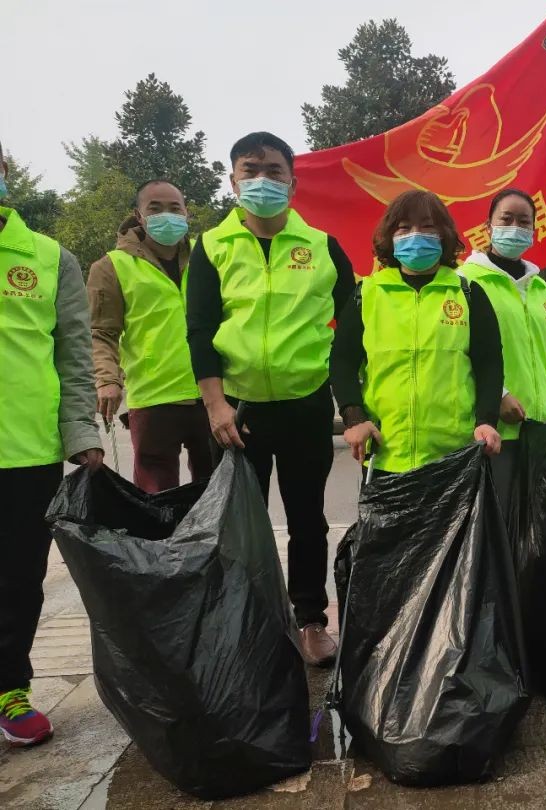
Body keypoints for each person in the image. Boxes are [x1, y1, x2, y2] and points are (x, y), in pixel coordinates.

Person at [186, 132, 364, 667]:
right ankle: (248, 623)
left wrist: (349, 404)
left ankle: (311, 619)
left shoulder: (324, 247)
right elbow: (200, 329)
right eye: (250, 170)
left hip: (305, 404)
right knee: (240, 523)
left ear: (293, 179)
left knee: (308, 519)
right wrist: (215, 405)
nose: (262, 180)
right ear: (233, 179)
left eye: (274, 170)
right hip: (237, 411)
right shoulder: (212, 247)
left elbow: (350, 330)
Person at [0, 140, 102, 747]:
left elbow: (72, 352)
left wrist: (83, 433)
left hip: (25, 449)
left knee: (18, 578)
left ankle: (11, 687)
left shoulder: (48, 257)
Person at [335, 190, 503, 473]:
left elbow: (489, 364)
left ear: (444, 235)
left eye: (427, 227)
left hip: (455, 455)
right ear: (390, 237)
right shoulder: (366, 294)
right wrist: (353, 418)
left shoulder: (468, 293)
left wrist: (486, 420)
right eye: (404, 228)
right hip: (385, 453)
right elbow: (342, 361)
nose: (416, 235)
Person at [87, 179, 212, 493]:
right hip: (154, 398)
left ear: (186, 212)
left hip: (213, 394)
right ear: (138, 215)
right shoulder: (111, 267)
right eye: (155, 208)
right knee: (156, 498)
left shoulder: (209, 253)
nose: (166, 215)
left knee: (217, 495)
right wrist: (107, 379)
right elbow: (102, 333)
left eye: (175, 208)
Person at [458, 188, 546, 504]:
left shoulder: (541, 289)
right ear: (487, 227)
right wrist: (498, 396)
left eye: (524, 221)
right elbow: (458, 350)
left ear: (534, 231)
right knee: (498, 531)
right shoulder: (465, 282)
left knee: (537, 535)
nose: (515, 227)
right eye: (506, 219)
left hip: (542, 431)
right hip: (494, 434)